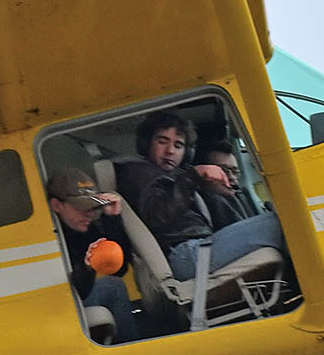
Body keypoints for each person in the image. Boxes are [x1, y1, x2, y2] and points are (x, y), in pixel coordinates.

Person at [117, 110, 285, 282]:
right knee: (283, 220)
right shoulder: (137, 173)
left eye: (178, 145)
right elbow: (158, 216)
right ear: (146, 144)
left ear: (186, 152)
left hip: (196, 250)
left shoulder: (171, 178)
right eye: (162, 142)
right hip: (187, 255)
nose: (170, 151)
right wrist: (193, 176)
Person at [46, 165, 140, 343]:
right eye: (81, 207)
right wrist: (87, 268)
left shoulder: (83, 230)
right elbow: (75, 292)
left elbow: (118, 269)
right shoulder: (51, 236)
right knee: (113, 288)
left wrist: (112, 219)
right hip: (57, 305)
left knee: (114, 284)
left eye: (92, 207)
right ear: (57, 205)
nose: (89, 214)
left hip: (74, 297)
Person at [195, 139, 255, 229]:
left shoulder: (242, 198)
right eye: (222, 170)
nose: (231, 177)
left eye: (235, 171)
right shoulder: (197, 207)